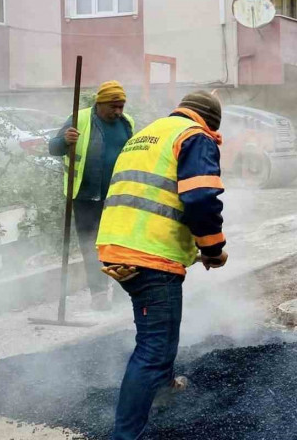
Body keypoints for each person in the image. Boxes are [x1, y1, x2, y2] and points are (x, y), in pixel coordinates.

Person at [96, 91, 229, 440]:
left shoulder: (147, 135)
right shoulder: (195, 136)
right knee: (154, 348)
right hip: (150, 255)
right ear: (210, 123)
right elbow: (200, 198)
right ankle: (126, 436)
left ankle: (167, 387)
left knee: (161, 332)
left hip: (118, 246)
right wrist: (213, 249)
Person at [49, 80, 134, 311]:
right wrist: (65, 141)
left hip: (118, 197)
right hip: (85, 197)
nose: (118, 112)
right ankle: (98, 294)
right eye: (113, 107)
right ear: (100, 103)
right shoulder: (81, 119)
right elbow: (53, 148)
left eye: (121, 106)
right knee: (91, 247)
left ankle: (120, 291)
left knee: (119, 245)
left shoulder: (127, 123)